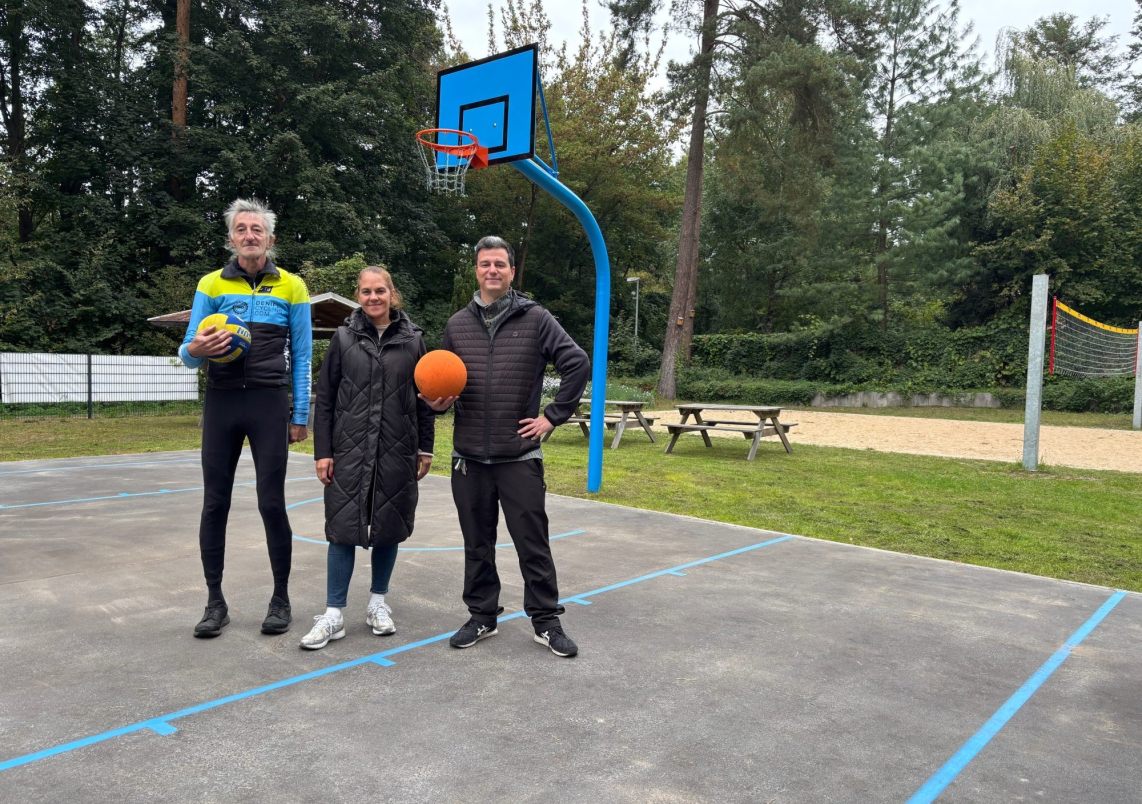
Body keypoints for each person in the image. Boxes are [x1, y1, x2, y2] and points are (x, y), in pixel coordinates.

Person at [427, 236, 589, 658]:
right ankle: (482, 615)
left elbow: (577, 363)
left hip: (519, 455)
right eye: (485, 264)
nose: (492, 270)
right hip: (469, 458)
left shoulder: (535, 317)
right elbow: (443, 381)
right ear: (476, 270)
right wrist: (436, 403)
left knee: (532, 542)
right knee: (476, 543)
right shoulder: (457, 324)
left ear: (512, 271)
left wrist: (552, 416)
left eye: (500, 264)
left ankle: (546, 621)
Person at [179, 198, 312, 638]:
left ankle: (280, 599)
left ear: (270, 239)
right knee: (214, 503)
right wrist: (194, 352)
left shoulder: (293, 286)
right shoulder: (211, 284)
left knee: (271, 503)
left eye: (257, 229)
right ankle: (214, 602)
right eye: (242, 229)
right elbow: (188, 351)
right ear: (231, 238)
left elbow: (304, 355)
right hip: (221, 402)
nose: (249, 235)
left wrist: (300, 413)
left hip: (268, 402)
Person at [299, 266, 435, 650]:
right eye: (365, 291)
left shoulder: (413, 341)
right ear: (357, 295)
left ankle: (378, 602)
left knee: (388, 524)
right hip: (349, 449)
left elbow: (425, 399)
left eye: (380, 291)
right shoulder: (343, 338)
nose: (373, 297)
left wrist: (425, 446)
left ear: (393, 294)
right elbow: (324, 399)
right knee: (342, 527)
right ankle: (333, 615)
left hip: (397, 447)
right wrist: (323, 451)